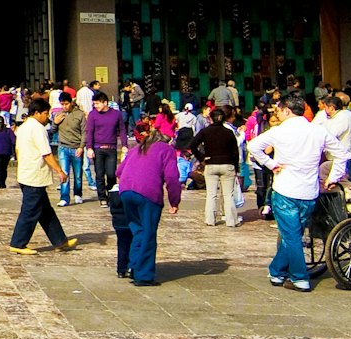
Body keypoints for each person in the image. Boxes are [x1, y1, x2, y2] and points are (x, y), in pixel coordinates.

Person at [247, 91, 348, 292]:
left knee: (291, 236)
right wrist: (332, 177)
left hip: (285, 189)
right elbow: (342, 153)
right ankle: (276, 271)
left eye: (279, 110)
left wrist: (271, 164)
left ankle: (300, 278)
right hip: (309, 192)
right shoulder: (317, 130)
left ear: (286, 110)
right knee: (292, 234)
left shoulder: (280, 131)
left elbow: (253, 146)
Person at [116, 117, 182, 286]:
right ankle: (143, 275)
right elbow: (172, 178)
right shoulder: (165, 150)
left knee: (137, 230)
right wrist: (175, 201)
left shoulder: (136, 149)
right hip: (147, 192)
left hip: (126, 191)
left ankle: (133, 265)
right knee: (148, 233)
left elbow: (119, 171)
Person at [9, 98, 76, 255]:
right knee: (30, 210)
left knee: (45, 210)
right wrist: (60, 170)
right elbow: (46, 153)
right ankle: (18, 243)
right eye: (45, 113)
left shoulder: (23, 127)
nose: (47, 117)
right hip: (34, 175)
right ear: (37, 113)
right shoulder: (37, 129)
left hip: (26, 172)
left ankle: (59, 240)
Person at [191, 108, 241, 228]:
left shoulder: (205, 132)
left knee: (211, 194)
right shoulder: (229, 132)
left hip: (211, 163)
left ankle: (210, 220)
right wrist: (236, 167)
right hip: (227, 164)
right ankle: (231, 221)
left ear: (210, 118)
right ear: (224, 118)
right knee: (228, 195)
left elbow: (192, 145)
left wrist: (201, 157)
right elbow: (235, 152)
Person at [84, 90, 125, 204]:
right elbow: (90, 131)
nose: (95, 106)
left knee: (111, 173)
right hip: (97, 148)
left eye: (97, 103)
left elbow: (122, 130)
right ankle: (102, 197)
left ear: (105, 103)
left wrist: (124, 145)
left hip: (111, 148)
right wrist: (89, 147)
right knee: (99, 174)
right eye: (94, 104)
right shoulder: (93, 114)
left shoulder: (116, 114)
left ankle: (111, 194)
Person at [55, 93, 85, 205]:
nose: (64, 107)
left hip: (76, 147)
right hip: (63, 147)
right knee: (64, 173)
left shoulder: (79, 114)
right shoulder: (59, 114)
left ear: (71, 102)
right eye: (62, 104)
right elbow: (53, 130)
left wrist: (82, 147)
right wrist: (55, 123)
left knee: (77, 174)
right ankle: (64, 197)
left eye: (66, 104)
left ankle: (78, 194)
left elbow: (84, 132)